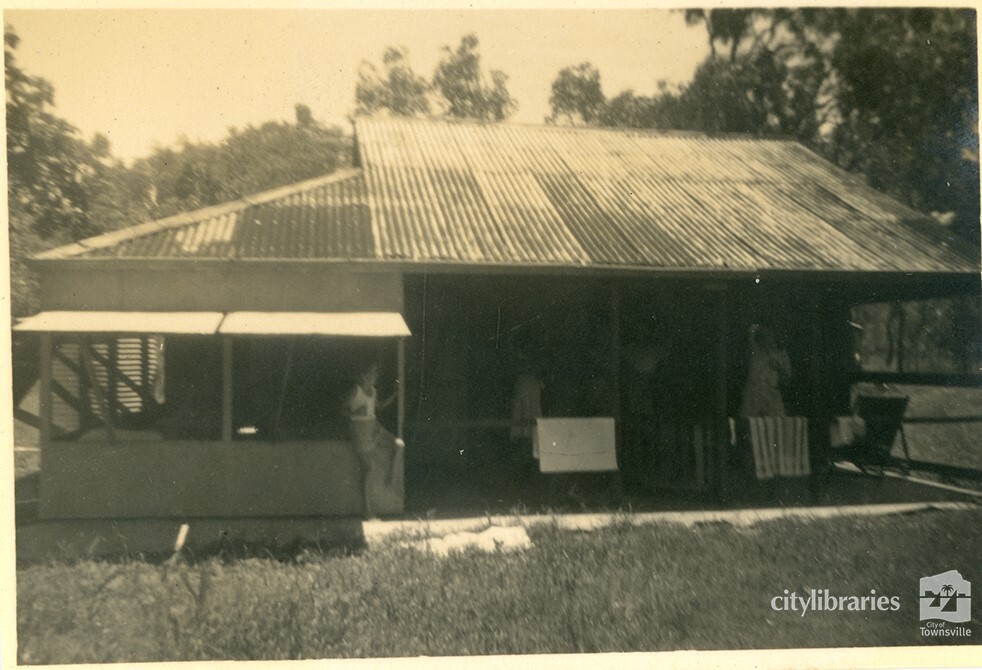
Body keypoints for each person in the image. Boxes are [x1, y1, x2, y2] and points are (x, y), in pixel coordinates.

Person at [346, 362, 404, 518]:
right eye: (373, 374)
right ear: (365, 375)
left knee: (398, 444)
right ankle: (367, 510)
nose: (376, 377)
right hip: (360, 431)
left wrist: (394, 395)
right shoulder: (356, 391)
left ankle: (391, 479)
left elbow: (378, 406)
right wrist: (356, 411)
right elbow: (342, 410)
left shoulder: (373, 391)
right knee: (367, 470)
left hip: (374, 427)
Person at [739, 325, 792, 417]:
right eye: (763, 336)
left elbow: (787, 379)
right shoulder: (755, 351)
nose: (767, 338)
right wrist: (752, 331)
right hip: (753, 393)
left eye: (769, 335)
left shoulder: (782, 355)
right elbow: (750, 339)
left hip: (772, 393)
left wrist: (779, 368)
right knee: (748, 421)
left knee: (778, 422)